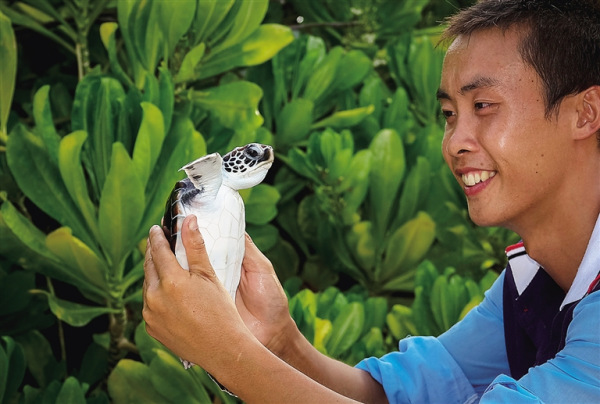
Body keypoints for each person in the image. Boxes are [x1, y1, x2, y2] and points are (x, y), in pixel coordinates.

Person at [142, 0, 600, 402]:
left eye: (483, 106)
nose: (455, 142)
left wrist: (229, 355)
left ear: (585, 113)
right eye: (448, 115)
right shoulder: (529, 282)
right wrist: (278, 339)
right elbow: (407, 392)